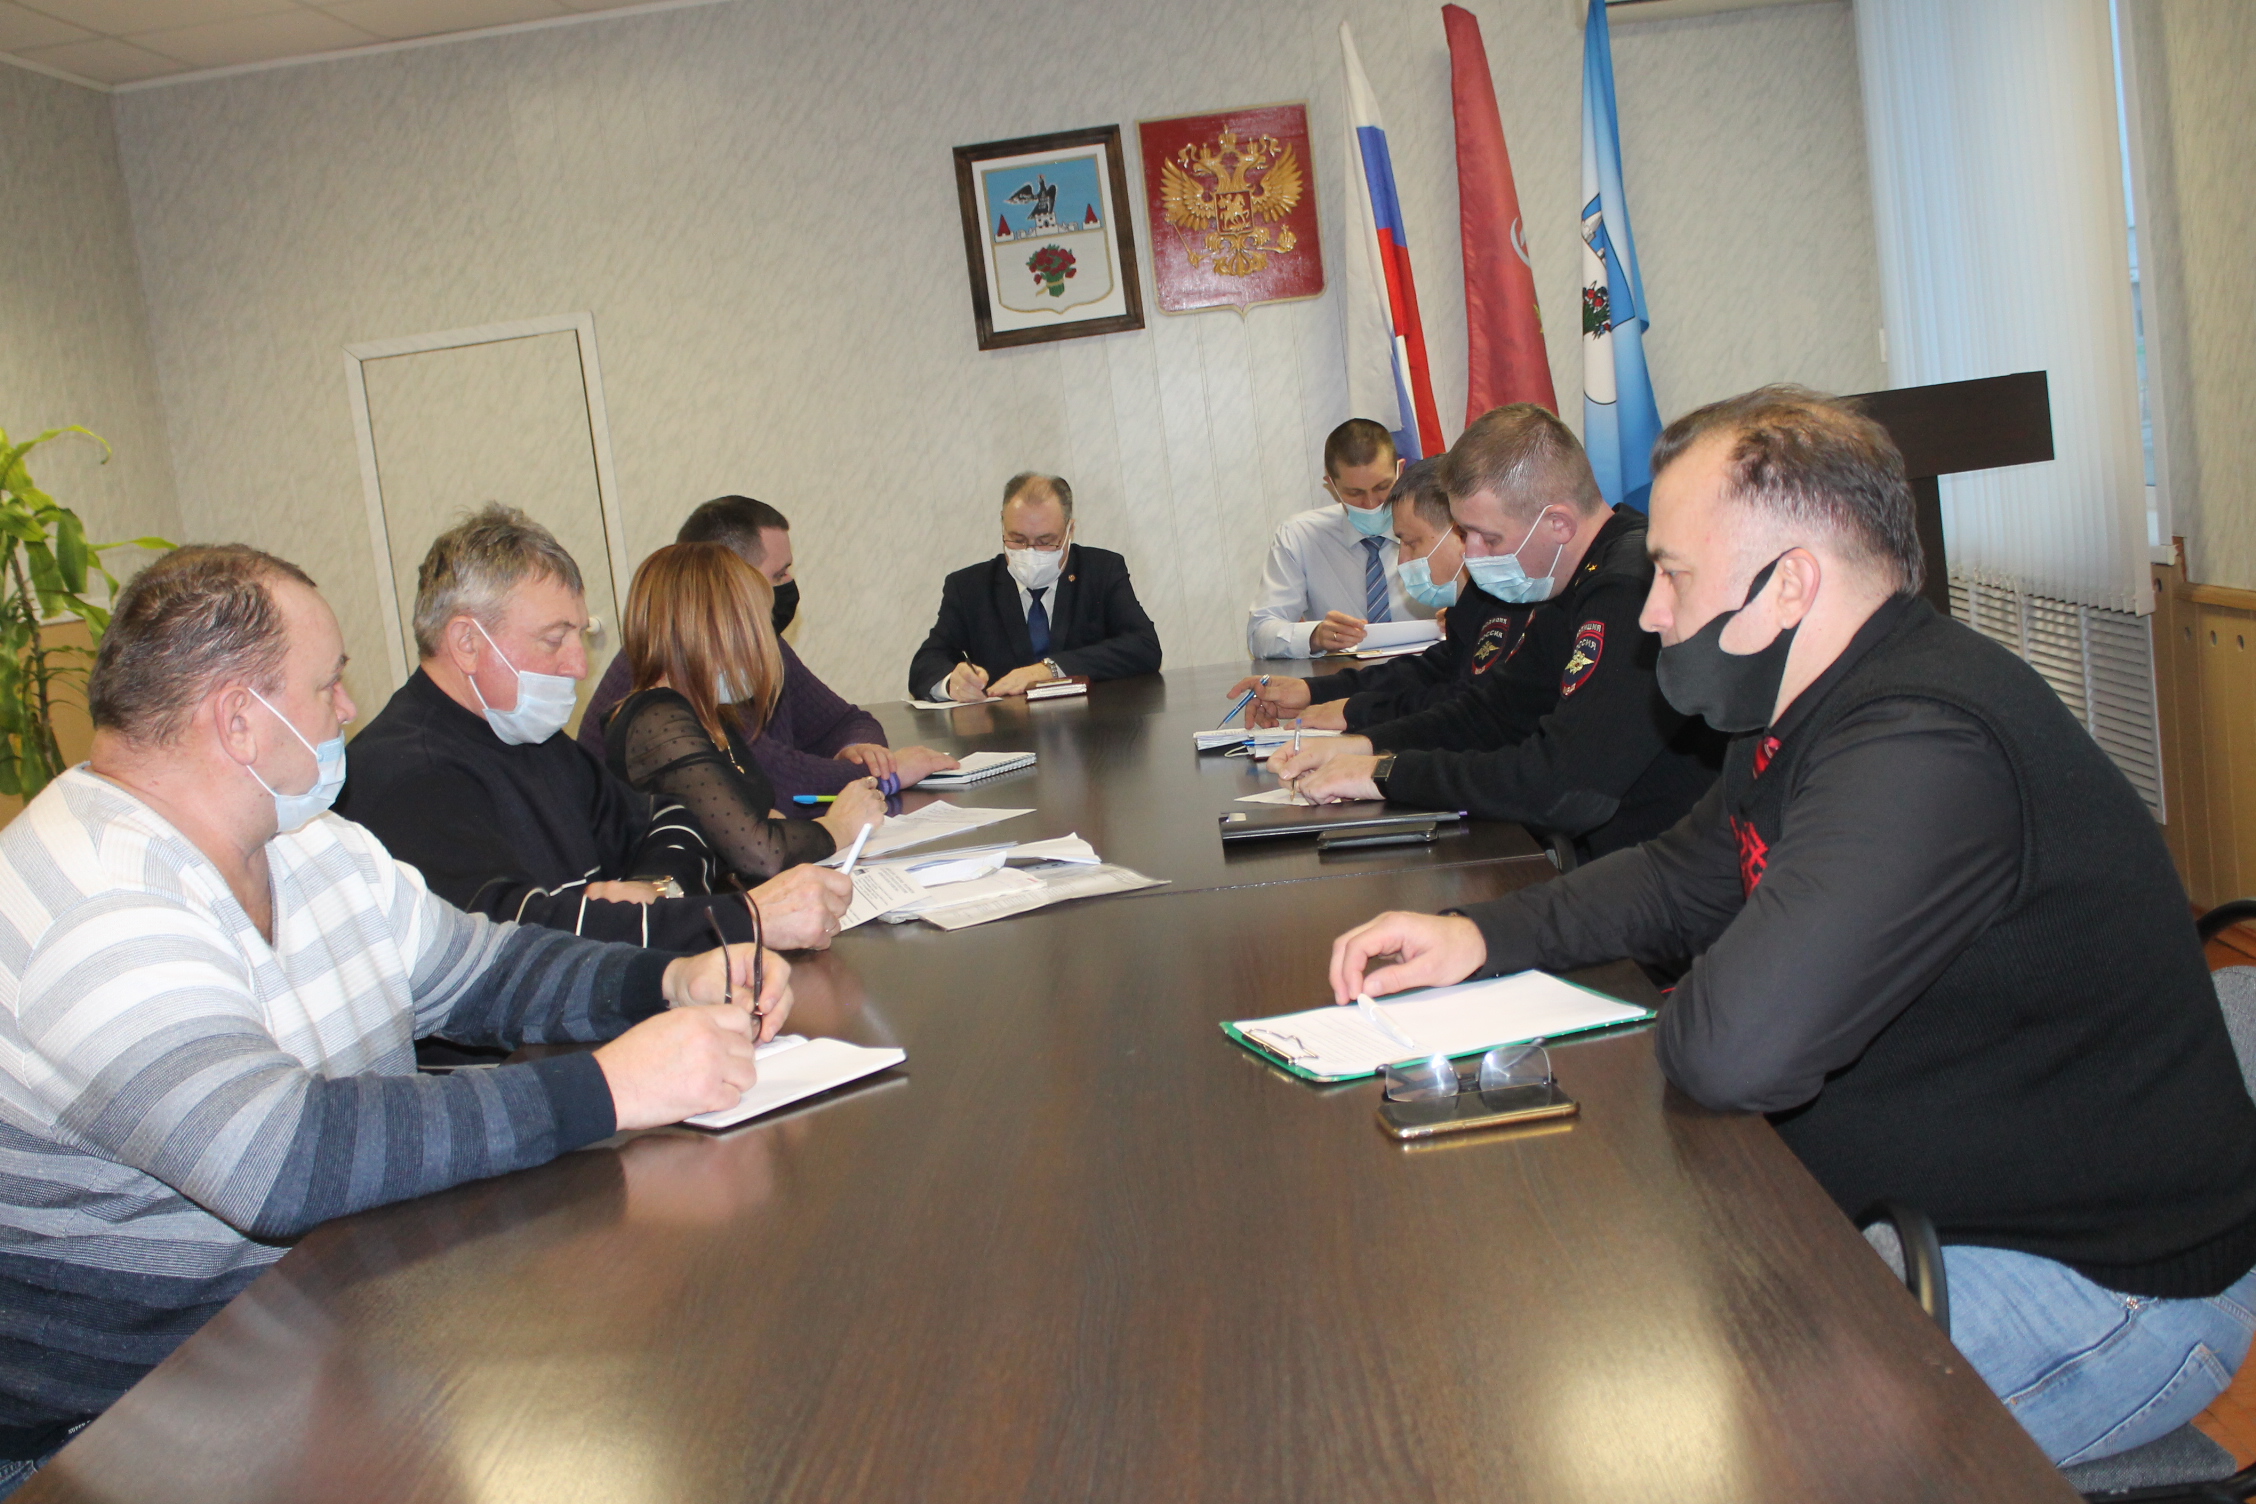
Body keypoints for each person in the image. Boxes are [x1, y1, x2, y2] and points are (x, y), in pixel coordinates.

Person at [1326, 386, 2256, 1469]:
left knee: (1706, 1453)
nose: (1652, 615)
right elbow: (1681, 875)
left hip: (2105, 1286)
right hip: (1926, 1212)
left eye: (1674, 575)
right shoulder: (1812, 707)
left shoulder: (1925, 744)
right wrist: (1480, 936)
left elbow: (1734, 1047)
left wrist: (1698, 982)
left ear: (1792, 584)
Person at [0, 545, 787, 1490]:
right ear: (239, 721)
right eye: (327, 683)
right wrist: (609, 1087)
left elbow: (487, 969)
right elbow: (282, 1160)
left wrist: (668, 982)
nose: (348, 707)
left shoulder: (312, 846)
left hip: (334, 1327)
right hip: (118, 1426)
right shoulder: (90, 904)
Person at [338, 506, 853, 952]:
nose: (579, 666)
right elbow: (515, 945)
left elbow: (674, 819)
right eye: (554, 639)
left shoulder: (530, 738)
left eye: (578, 636)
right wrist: (746, 918)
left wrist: (655, 891)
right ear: (466, 643)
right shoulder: (407, 776)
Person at [1269, 405, 1724, 862]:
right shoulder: (1570, 580)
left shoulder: (1626, 588)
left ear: (1559, 523)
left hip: (1668, 873)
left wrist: (1386, 773)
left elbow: (1565, 788)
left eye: (1488, 538)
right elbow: (1494, 712)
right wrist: (1364, 747)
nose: (1471, 554)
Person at [578, 495, 956, 799]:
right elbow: (772, 778)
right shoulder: (669, 664)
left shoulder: (762, 645)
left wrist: (860, 749)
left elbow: (845, 721)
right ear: (728, 580)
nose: (789, 584)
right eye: (778, 574)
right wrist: (888, 774)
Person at [608, 543, 885, 880]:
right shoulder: (658, 721)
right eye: (756, 626)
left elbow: (761, 820)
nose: (765, 643)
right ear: (709, 630)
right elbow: (760, 854)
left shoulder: (709, 714)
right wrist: (840, 826)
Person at [1224, 457, 1533, 733]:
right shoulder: (1475, 604)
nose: (1402, 560)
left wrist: (1356, 714)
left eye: (1410, 542)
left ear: (1461, 534)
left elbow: (1467, 707)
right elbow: (1430, 670)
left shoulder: (1512, 602)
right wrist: (1312, 691)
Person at [908, 473, 1162, 701]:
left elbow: (1144, 646)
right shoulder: (969, 587)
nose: (1030, 551)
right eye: (1017, 539)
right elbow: (925, 663)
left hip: (1093, 729)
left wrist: (1050, 669)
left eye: (1045, 541)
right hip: (1007, 732)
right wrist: (953, 683)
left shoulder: (1101, 571)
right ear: (1003, 525)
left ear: (1069, 531)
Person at [1247, 418, 1433, 658]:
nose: (1371, 504)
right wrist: (1314, 636)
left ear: (1401, 471)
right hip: (1345, 674)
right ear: (1331, 485)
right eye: (1355, 493)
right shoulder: (1300, 536)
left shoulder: (1437, 523)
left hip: (1430, 670)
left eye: (1382, 487)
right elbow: (1259, 634)